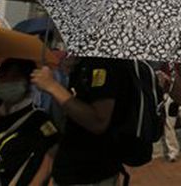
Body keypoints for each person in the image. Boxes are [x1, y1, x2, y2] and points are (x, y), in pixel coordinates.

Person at [32, 56, 129, 186]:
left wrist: (52, 85)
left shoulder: (102, 63)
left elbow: (98, 122)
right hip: (70, 169)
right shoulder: (84, 62)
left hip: (91, 174)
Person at [0, 58, 59, 186]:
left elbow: (50, 159)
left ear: (28, 82)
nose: (7, 82)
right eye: (3, 77)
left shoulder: (39, 121)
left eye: (15, 77)